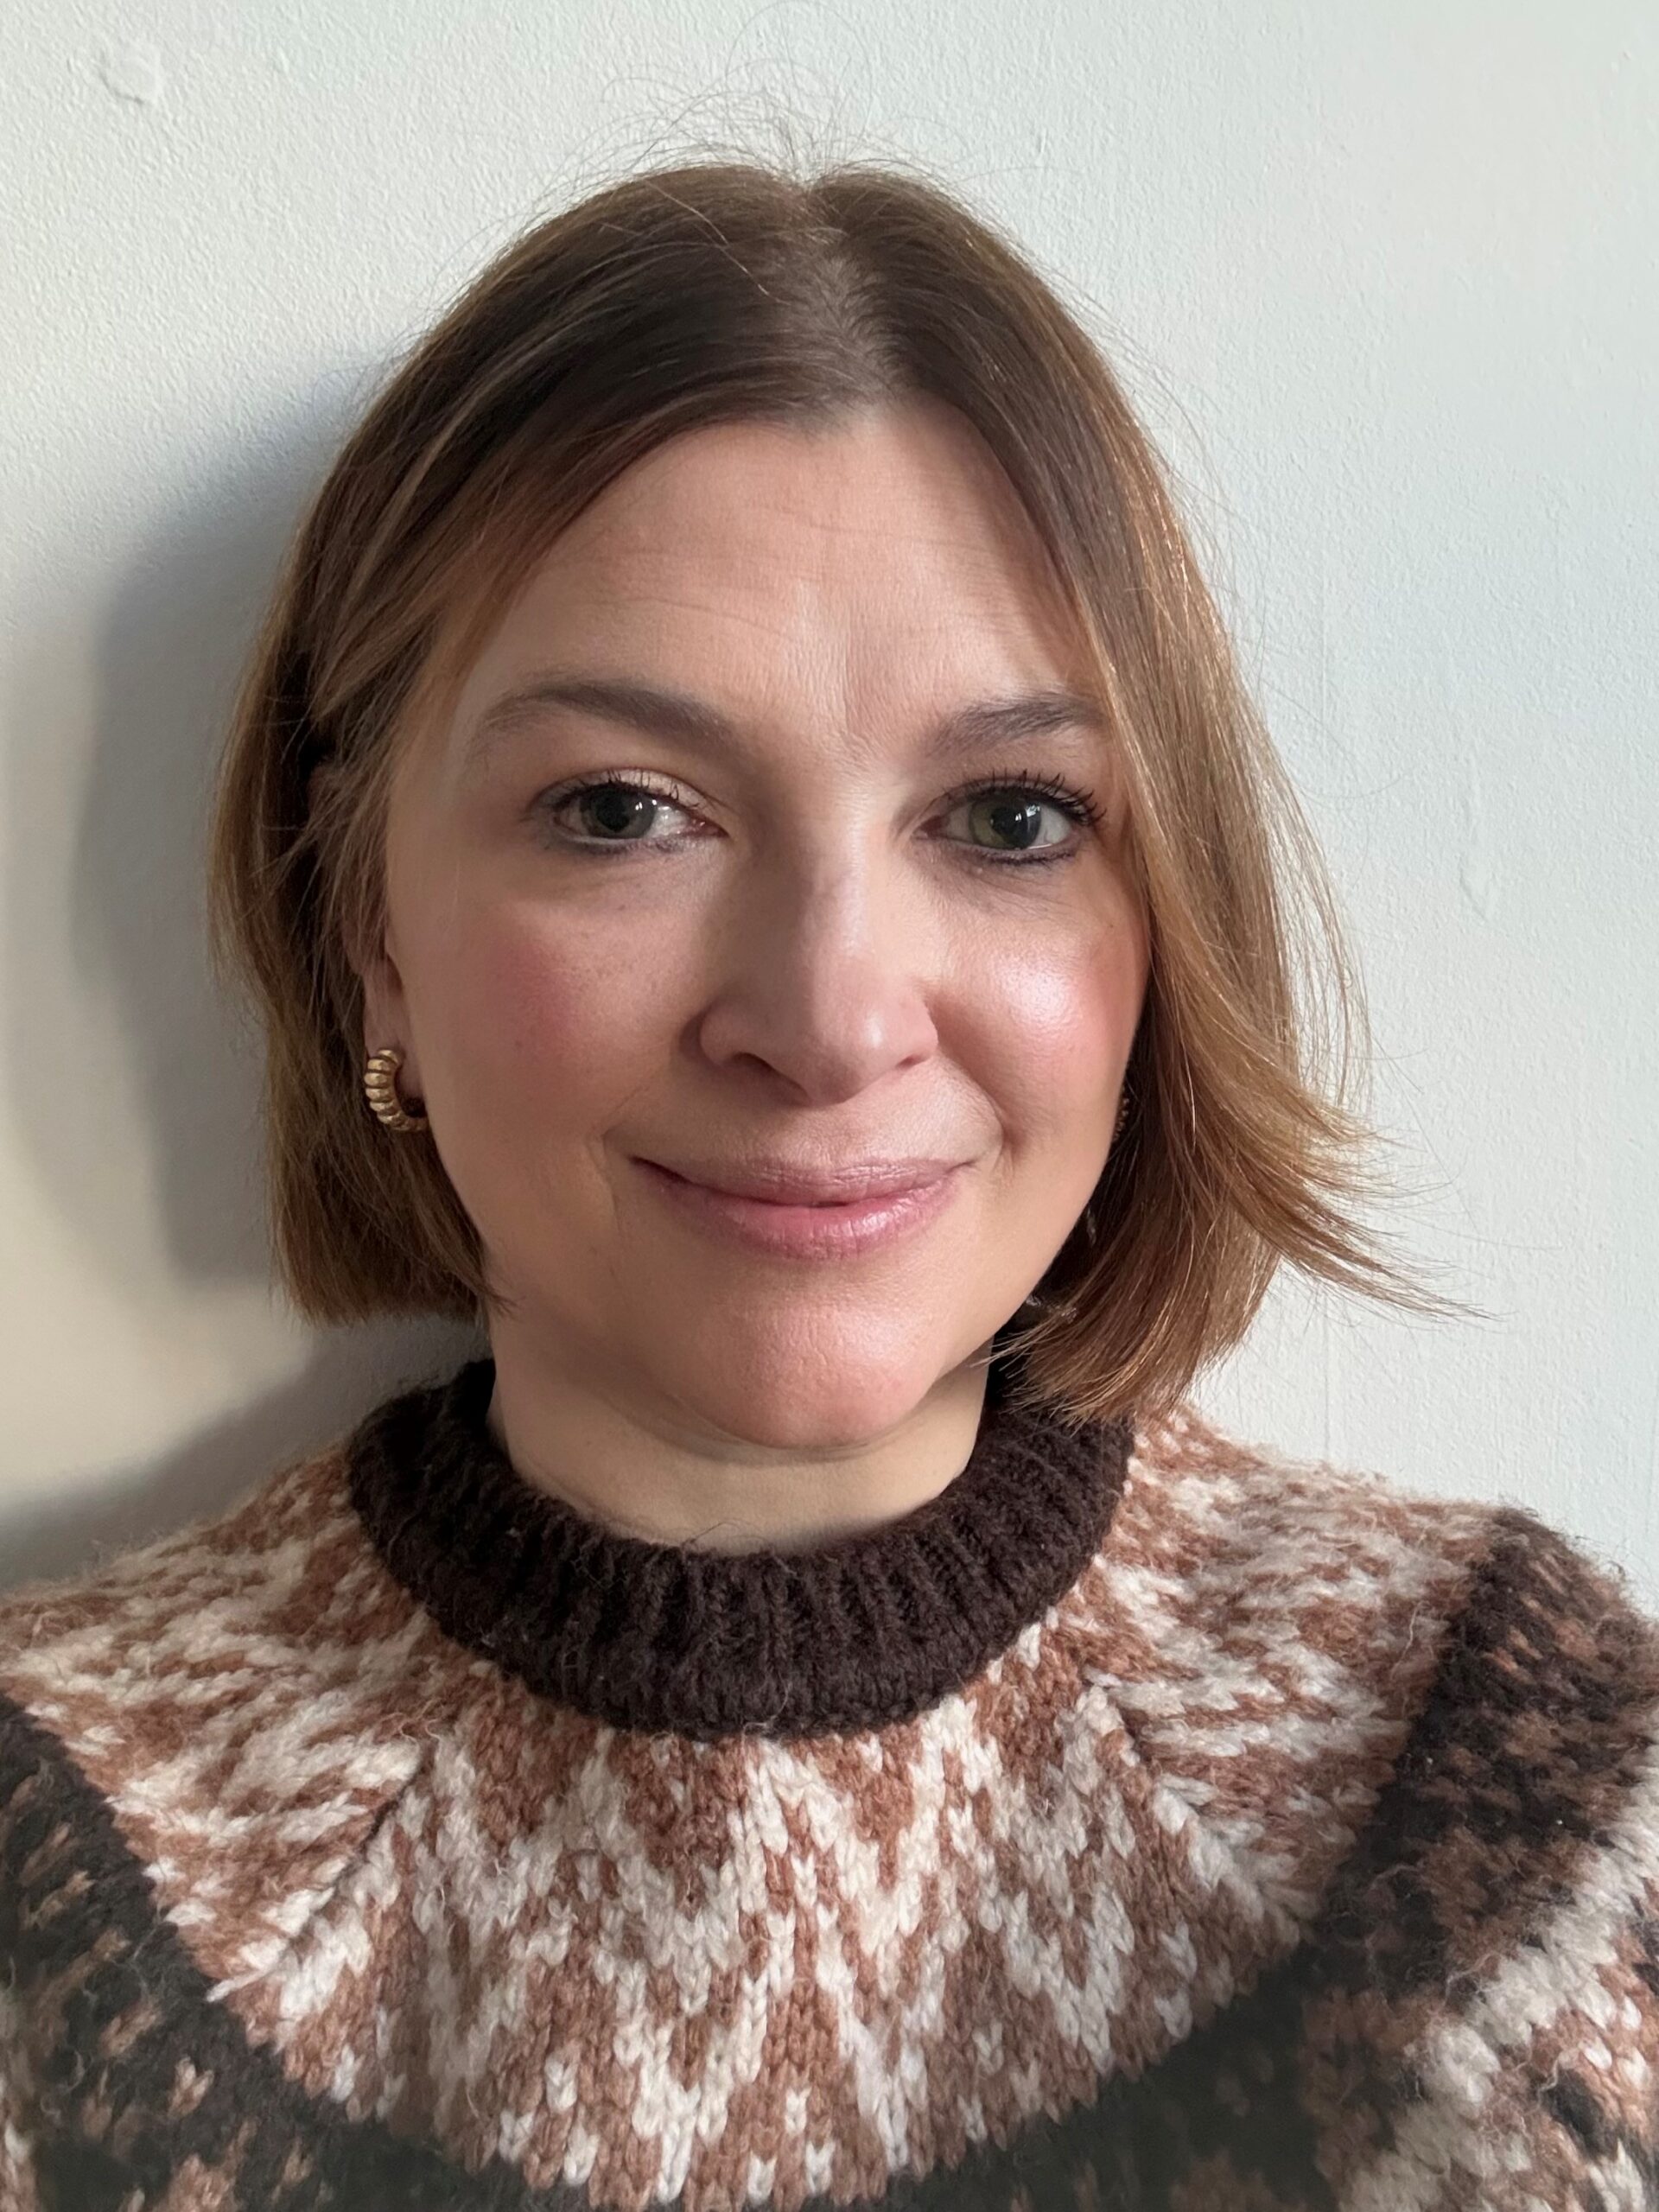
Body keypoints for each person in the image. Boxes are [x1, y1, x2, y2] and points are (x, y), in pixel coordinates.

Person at [2, 155, 1655, 2212]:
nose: (829, 1012)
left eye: (1010, 813)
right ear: (369, 927)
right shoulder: (51, 1867)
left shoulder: (1518, 1787)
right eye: (622, 809)